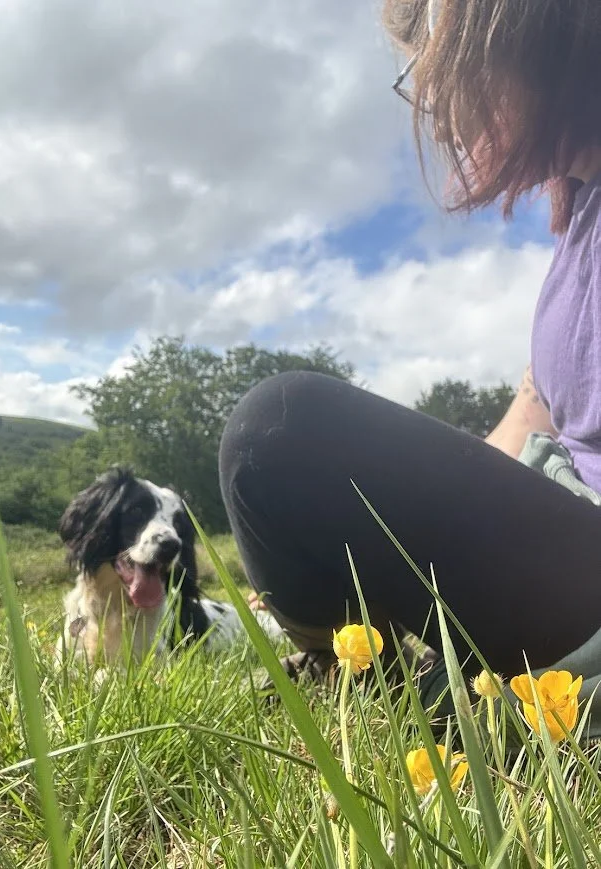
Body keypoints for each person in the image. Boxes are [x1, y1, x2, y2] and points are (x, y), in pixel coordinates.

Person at [219, 0, 601, 733]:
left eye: (434, 75)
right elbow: (536, 403)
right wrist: (415, 531)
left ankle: (448, 695)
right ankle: (369, 670)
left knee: (281, 426)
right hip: (559, 534)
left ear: (521, 30)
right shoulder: (576, 215)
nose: (432, 114)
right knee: (274, 453)